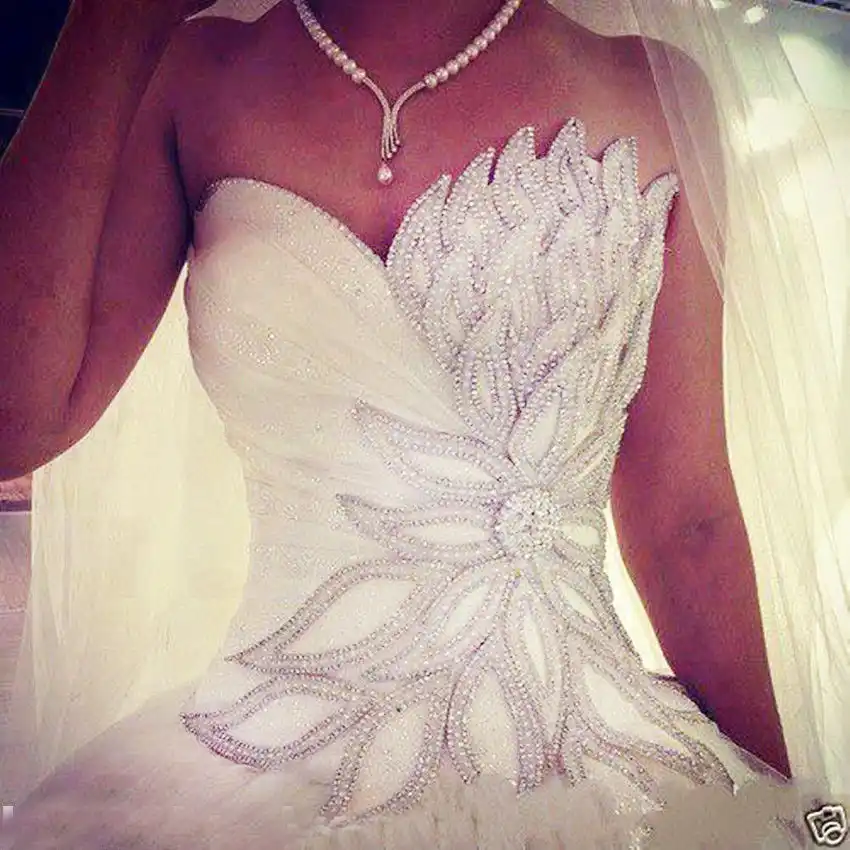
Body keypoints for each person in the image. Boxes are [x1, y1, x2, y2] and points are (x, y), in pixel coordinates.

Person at [0, 0, 847, 847]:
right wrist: (110, 23)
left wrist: (800, 819)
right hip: (252, 753)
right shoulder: (196, 76)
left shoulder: (651, 93)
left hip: (590, 762)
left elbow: (687, 521)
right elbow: (15, 420)